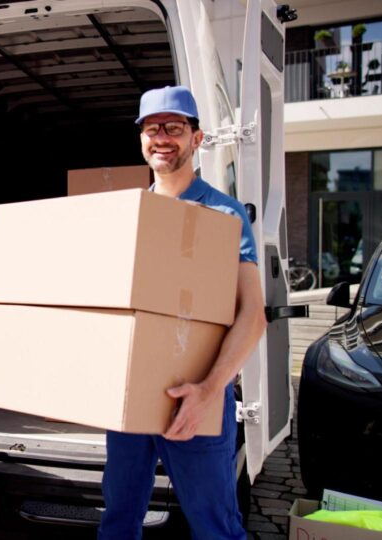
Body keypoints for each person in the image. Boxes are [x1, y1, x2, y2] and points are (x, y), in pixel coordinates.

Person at [97, 85, 268, 540]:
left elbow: (252, 315)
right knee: (118, 519)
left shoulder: (223, 214)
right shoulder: (128, 214)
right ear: (141, 139)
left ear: (197, 137)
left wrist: (209, 391)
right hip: (131, 402)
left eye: (174, 127)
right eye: (153, 128)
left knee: (216, 527)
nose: (162, 137)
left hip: (200, 397)